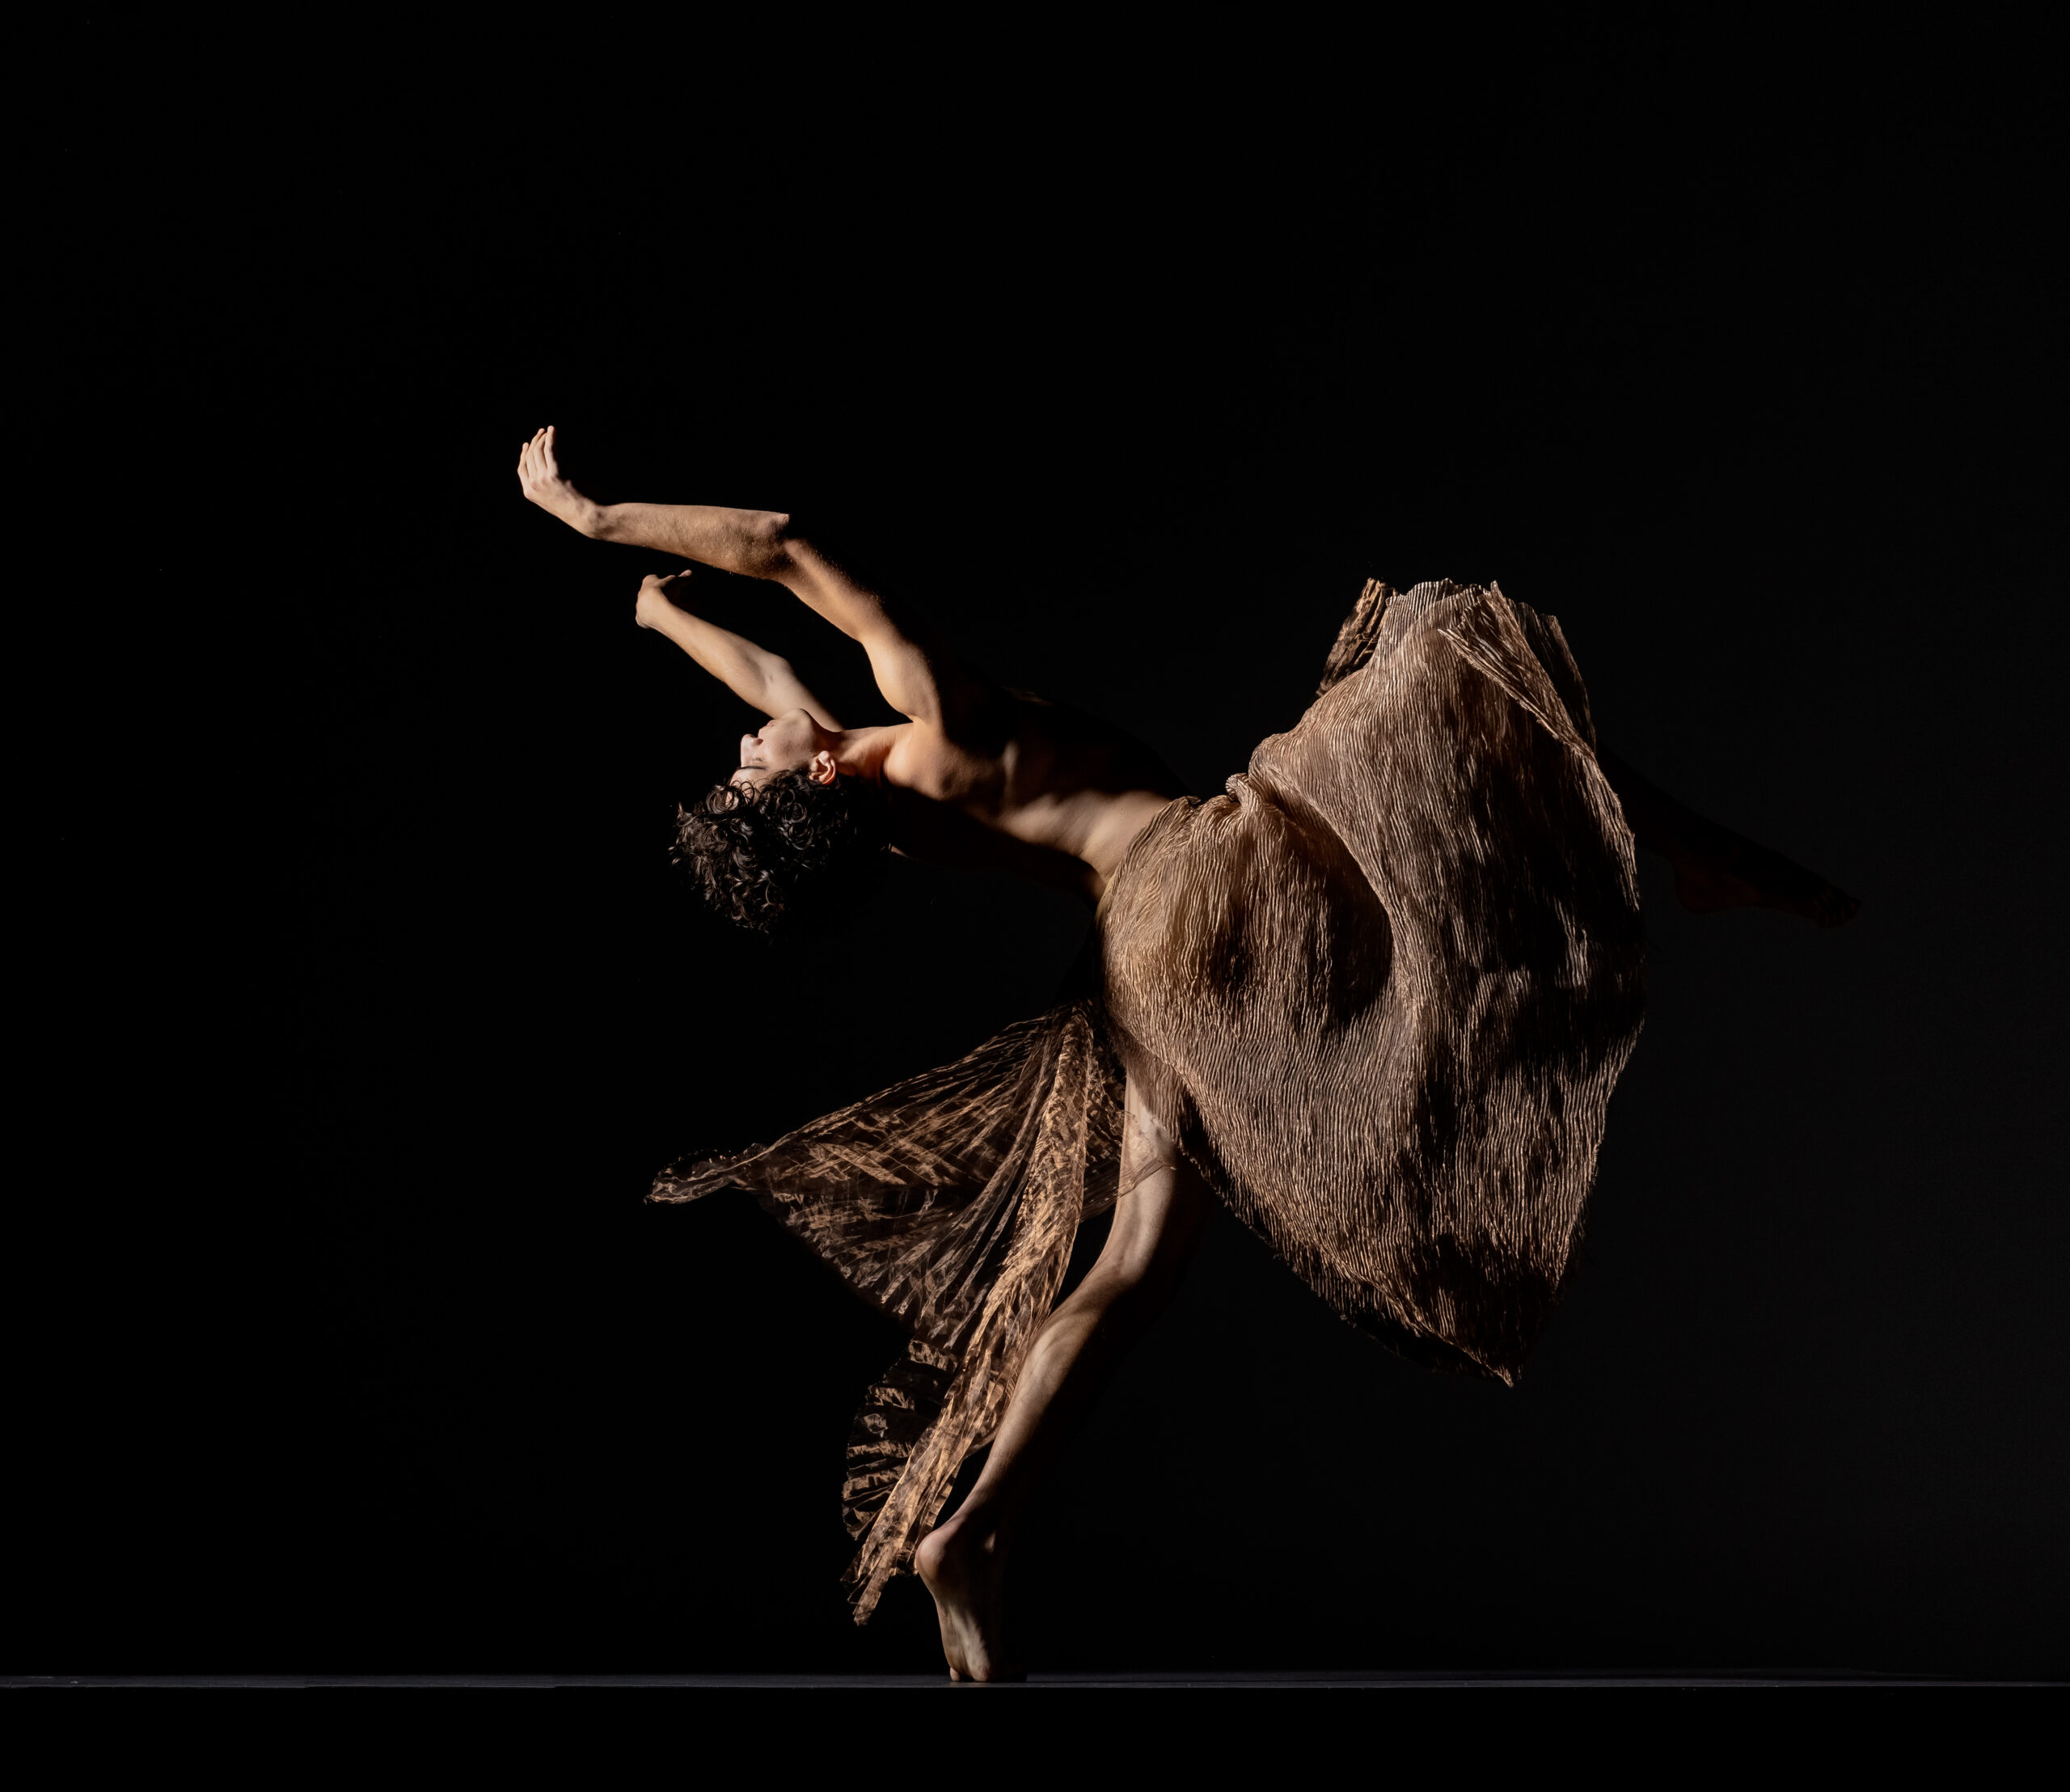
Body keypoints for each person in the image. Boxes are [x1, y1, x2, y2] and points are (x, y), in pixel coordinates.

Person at [518, 425, 1859, 1680]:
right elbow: (790, 542)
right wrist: (595, 519)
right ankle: (1702, 860)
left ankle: (975, 1531)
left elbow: (769, 677)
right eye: (753, 764)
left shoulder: (888, 797)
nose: (751, 735)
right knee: (1457, 683)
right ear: (807, 785)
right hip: (1189, 876)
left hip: (1137, 964)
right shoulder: (940, 723)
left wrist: (662, 609)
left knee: (1138, 1259)